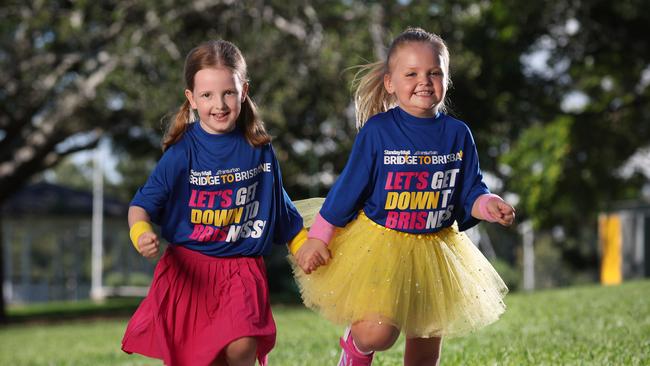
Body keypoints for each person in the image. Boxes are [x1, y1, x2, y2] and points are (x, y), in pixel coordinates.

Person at [292, 27, 515, 366]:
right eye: (411, 73)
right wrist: (319, 239)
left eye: (434, 73)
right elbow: (346, 192)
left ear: (446, 79)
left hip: (435, 248)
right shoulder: (378, 131)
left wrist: (488, 205)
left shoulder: (457, 134)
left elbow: (470, 190)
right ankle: (356, 349)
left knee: (425, 344)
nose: (424, 81)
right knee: (376, 333)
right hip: (380, 245)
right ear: (390, 83)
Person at [121, 40, 307, 366]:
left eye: (228, 93)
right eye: (207, 95)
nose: (219, 104)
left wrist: (303, 245)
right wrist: (141, 233)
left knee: (242, 345)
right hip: (189, 273)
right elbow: (141, 205)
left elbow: (281, 206)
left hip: (241, 268)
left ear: (244, 91)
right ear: (191, 99)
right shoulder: (181, 154)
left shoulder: (259, 149)